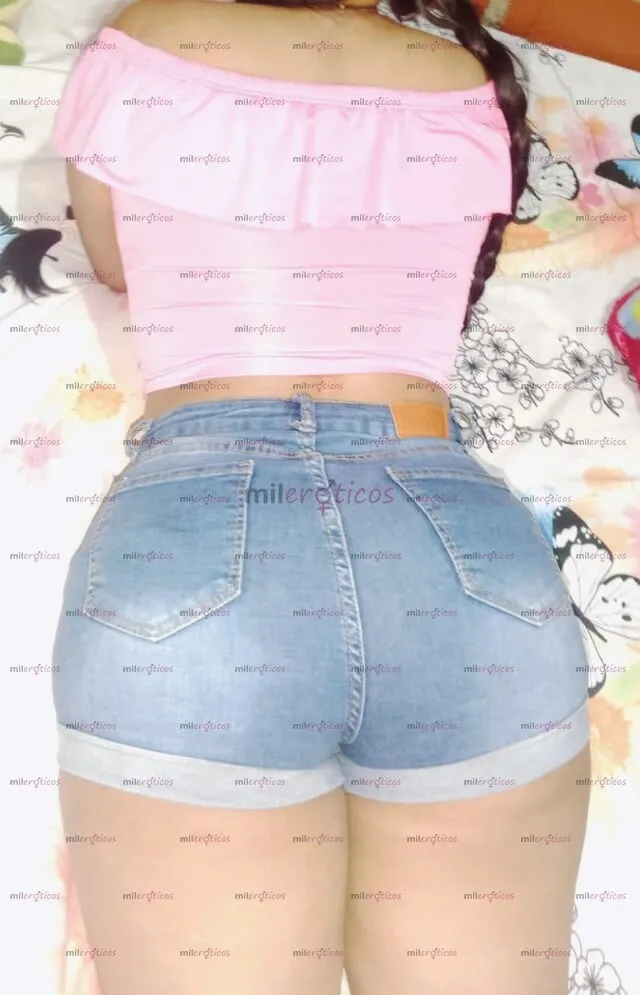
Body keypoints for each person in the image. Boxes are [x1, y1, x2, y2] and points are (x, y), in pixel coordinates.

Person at [51, 1, 591, 992]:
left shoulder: (147, 38)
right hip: (459, 560)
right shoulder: (457, 75)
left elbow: (117, 258)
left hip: (194, 560)